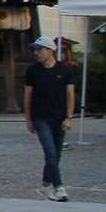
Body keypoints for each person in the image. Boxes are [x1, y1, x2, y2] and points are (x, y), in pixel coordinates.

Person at [24, 37, 76, 202]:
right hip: (40, 117)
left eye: (40, 49)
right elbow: (27, 95)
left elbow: (70, 94)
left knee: (56, 155)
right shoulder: (32, 71)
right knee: (50, 153)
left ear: (50, 50)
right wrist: (28, 119)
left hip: (60, 117)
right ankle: (59, 186)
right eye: (35, 49)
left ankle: (45, 185)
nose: (36, 53)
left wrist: (69, 117)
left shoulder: (65, 70)